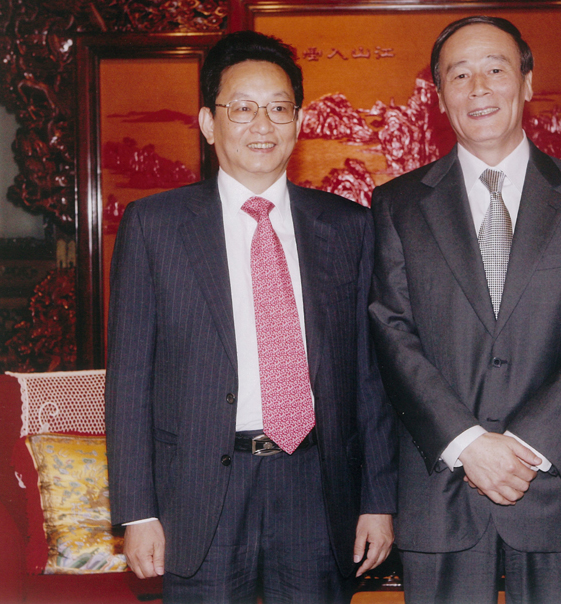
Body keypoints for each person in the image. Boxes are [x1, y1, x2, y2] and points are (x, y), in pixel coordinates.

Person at [105, 30, 397, 604]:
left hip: (317, 487)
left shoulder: (349, 228)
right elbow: (130, 379)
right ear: (209, 123)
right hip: (200, 493)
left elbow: (370, 378)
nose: (263, 125)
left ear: (299, 121)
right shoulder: (155, 226)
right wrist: (137, 511)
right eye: (242, 108)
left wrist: (378, 499)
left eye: (279, 108)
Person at [369, 16, 561, 604]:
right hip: (442, 490)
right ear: (440, 97)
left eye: (495, 69)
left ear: (527, 82)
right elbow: (392, 331)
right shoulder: (397, 205)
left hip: (559, 486)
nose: (479, 87)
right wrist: (468, 442)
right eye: (459, 75)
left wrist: (524, 447)